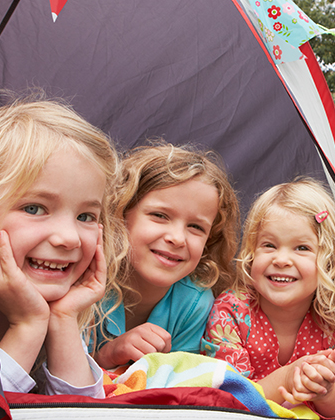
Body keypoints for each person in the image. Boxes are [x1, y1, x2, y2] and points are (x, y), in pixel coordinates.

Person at [0, 99, 123, 396]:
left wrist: (64, 320)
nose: (68, 238)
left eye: (85, 216)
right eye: (34, 208)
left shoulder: (61, 314)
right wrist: (26, 327)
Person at [201, 178, 335, 419]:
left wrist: (325, 392)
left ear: (328, 263)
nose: (281, 259)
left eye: (302, 248)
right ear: (251, 253)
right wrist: (288, 377)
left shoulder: (334, 323)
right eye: (269, 245)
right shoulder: (230, 313)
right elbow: (227, 399)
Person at [93, 143, 240, 370]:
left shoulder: (195, 302)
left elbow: (178, 385)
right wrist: (108, 355)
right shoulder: (88, 280)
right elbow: (56, 379)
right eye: (160, 215)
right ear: (120, 214)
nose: (178, 238)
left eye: (196, 227)